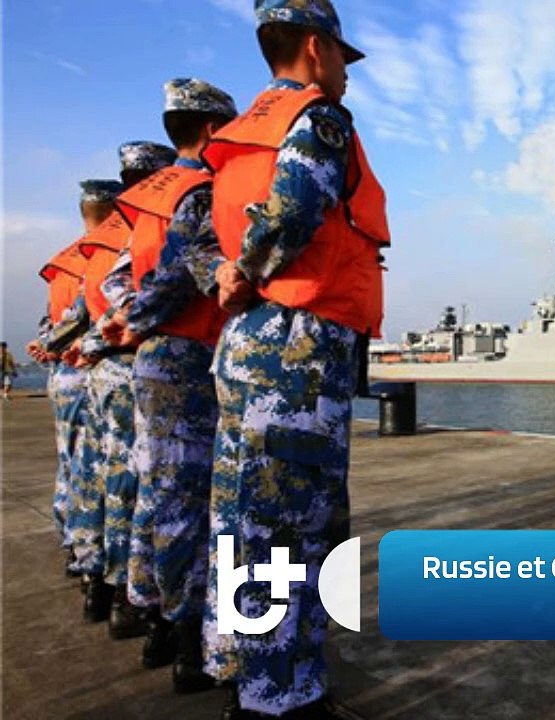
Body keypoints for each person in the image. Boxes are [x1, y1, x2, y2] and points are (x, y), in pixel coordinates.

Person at [202, 1, 388, 716]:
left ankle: (241, 669)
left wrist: (229, 275)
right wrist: (247, 270)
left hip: (251, 342)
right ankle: (281, 698)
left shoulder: (234, 140)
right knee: (293, 527)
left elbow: (210, 238)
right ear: (316, 48)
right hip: (298, 346)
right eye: (342, 55)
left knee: (244, 517)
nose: (346, 71)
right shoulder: (317, 120)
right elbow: (292, 211)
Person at [105, 77, 237, 691]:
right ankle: (189, 643)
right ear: (210, 130)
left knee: (159, 495)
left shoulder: (147, 203)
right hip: (187, 354)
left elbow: (117, 278)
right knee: (193, 504)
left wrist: (125, 317)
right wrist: (139, 318)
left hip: (157, 358)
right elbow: (184, 272)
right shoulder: (199, 192)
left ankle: (156, 620)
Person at [65, 142, 177, 633]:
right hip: (144, 362)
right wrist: (133, 324)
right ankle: (147, 604)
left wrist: (92, 342)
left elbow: (82, 313)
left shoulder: (101, 248)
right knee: (153, 487)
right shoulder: (157, 224)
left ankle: (105, 583)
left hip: (107, 370)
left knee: (106, 479)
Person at [38, 180, 124, 589]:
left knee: (74, 464)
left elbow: (56, 320)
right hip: (97, 365)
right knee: (111, 471)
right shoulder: (110, 253)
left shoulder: (69, 261)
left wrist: (47, 344)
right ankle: (106, 567)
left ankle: (78, 548)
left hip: (66, 372)